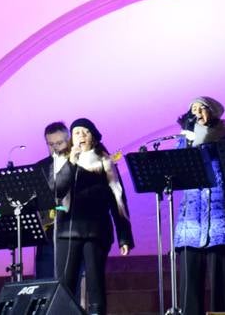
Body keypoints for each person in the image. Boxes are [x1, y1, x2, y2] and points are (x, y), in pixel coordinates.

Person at [173, 96, 225, 315]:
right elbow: (176, 168)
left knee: (221, 287)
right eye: (193, 109)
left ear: (214, 112)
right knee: (189, 289)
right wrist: (188, 137)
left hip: (218, 224)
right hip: (190, 224)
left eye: (202, 108)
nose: (197, 112)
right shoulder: (183, 141)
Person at [53, 118, 133, 315]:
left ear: (94, 137)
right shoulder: (62, 161)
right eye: (76, 132)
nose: (80, 136)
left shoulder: (107, 163)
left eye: (85, 132)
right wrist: (71, 162)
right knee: (65, 284)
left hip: (96, 231)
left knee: (95, 283)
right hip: (67, 233)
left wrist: (125, 236)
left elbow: (118, 200)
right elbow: (57, 190)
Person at [30, 121, 71, 280]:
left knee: (69, 287)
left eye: (59, 143)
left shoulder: (79, 165)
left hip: (71, 234)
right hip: (48, 236)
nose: (55, 148)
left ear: (69, 141)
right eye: (50, 144)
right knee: (44, 283)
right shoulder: (40, 167)